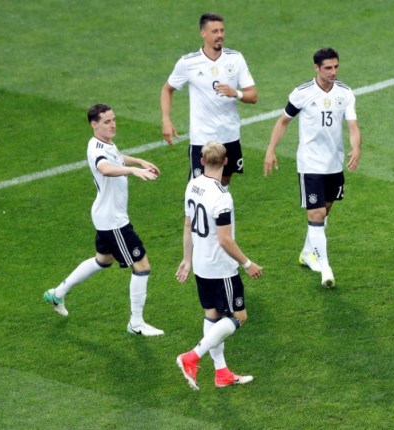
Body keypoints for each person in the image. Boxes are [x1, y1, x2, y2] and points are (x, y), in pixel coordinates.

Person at [43, 104, 164, 336]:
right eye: (107, 121)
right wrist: (133, 171)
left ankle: (58, 293)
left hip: (104, 216)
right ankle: (136, 323)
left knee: (103, 260)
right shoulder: (96, 148)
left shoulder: (105, 143)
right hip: (114, 221)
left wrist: (138, 161)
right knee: (142, 266)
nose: (113, 124)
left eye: (114, 120)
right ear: (94, 124)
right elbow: (106, 168)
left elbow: (116, 157)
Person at [263, 47, 362, 288]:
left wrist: (356, 147)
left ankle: (307, 253)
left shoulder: (345, 93)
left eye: (336, 67)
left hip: (334, 163)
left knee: (324, 212)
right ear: (316, 68)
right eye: (328, 68)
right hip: (310, 163)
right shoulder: (302, 93)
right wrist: (270, 149)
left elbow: (353, 126)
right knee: (316, 215)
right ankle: (325, 268)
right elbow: (283, 121)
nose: (333, 72)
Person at [175, 142, 263, 391]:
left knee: (212, 316)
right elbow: (225, 239)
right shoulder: (222, 196)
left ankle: (221, 372)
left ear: (202, 161)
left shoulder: (192, 185)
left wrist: (187, 259)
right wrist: (247, 263)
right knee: (239, 316)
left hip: (201, 265)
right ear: (226, 163)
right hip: (220, 267)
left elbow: (187, 224)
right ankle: (192, 356)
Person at [161, 12, 258, 187]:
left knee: (224, 182)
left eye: (221, 30)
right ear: (203, 33)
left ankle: (221, 214)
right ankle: (192, 215)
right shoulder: (188, 63)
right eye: (214, 31)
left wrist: (235, 93)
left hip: (229, 134)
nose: (220, 35)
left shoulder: (236, 58)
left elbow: (253, 96)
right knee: (199, 187)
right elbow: (167, 89)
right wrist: (166, 119)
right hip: (202, 138)